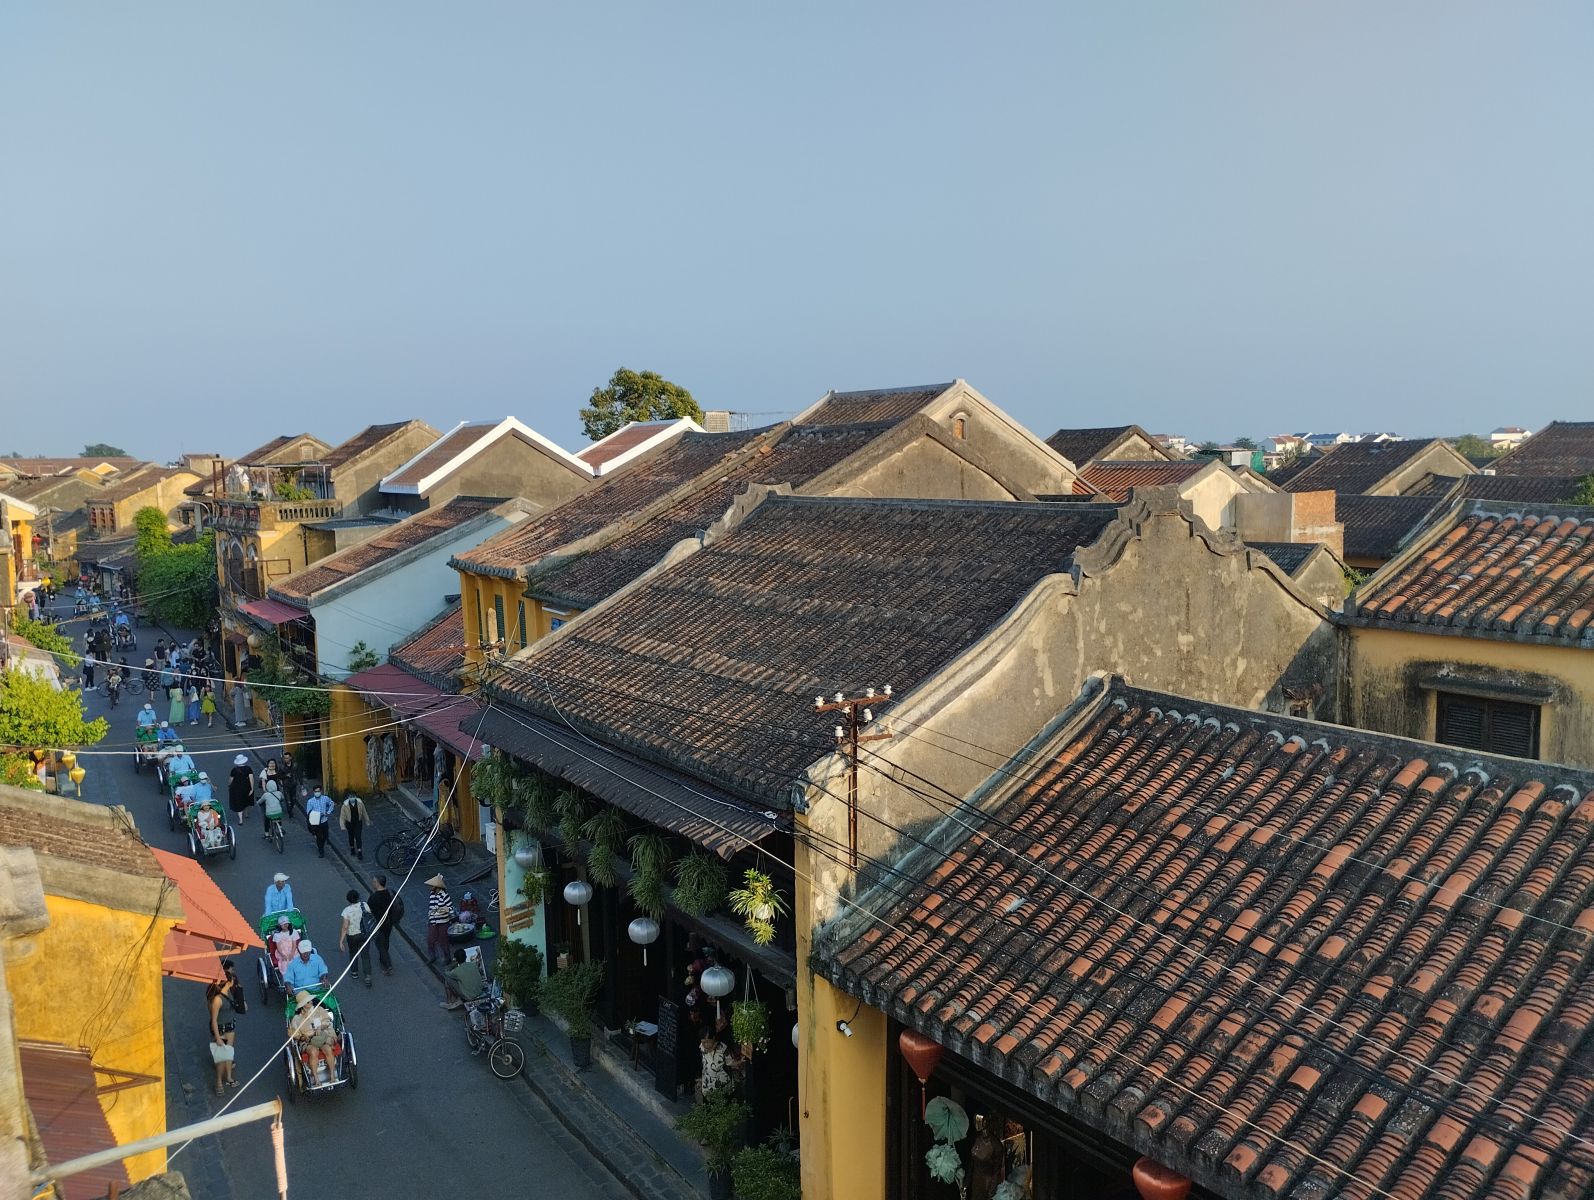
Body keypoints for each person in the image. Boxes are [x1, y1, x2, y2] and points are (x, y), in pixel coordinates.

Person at [289, 991, 336, 1084]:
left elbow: (327, 1021)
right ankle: (316, 1079)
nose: (311, 1002)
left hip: (320, 1037)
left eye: (310, 1000)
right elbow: (294, 1034)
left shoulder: (319, 1010)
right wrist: (303, 1037)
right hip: (307, 1042)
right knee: (314, 1051)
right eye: (307, 1002)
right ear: (302, 1005)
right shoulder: (297, 1019)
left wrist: (321, 1027)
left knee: (328, 1049)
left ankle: (332, 1075)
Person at [207, 974, 239, 1095]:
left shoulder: (228, 994)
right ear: (228, 982)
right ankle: (219, 1081)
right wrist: (217, 1037)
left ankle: (229, 1077)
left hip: (230, 1027)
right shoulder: (218, 999)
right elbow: (214, 1020)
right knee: (221, 1058)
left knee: (229, 1053)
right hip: (221, 1029)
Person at [366, 875, 401, 977]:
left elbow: (368, 911)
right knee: (386, 940)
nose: (372, 883)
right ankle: (383, 960)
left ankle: (388, 965)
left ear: (377, 883)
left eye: (374, 881)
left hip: (378, 924)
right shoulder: (390, 894)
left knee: (380, 945)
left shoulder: (373, 897)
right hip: (389, 922)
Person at [339, 888, 373, 988]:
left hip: (352, 936)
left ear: (348, 900)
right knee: (365, 954)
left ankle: (354, 972)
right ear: (358, 897)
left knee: (353, 953)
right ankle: (367, 976)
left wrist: (341, 941)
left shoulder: (346, 911)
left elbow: (345, 927)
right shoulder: (365, 905)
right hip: (364, 934)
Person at [697, 1027, 741, 1099]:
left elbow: (730, 1062)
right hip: (707, 1085)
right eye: (703, 1042)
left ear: (714, 1038)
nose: (706, 1045)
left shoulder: (722, 1049)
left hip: (723, 1084)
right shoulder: (701, 1048)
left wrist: (738, 1062)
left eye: (708, 1041)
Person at [424, 875, 454, 967]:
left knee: (443, 941)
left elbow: (451, 909)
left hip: (443, 923)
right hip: (433, 921)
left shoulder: (445, 896)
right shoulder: (432, 894)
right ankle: (432, 956)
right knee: (430, 940)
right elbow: (431, 907)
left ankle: (447, 957)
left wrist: (439, 911)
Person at [305, 787, 335, 858]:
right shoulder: (310, 801)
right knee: (319, 837)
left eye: (318, 791)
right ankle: (321, 851)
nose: (317, 792)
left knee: (325, 835)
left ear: (321, 791)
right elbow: (309, 812)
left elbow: (332, 803)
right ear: (313, 792)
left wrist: (328, 812)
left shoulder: (325, 798)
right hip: (316, 822)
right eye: (316, 791)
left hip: (324, 820)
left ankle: (322, 844)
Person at [338, 793, 369, 860]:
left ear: (355, 797)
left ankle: (359, 851)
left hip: (358, 822)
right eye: (350, 797)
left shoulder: (360, 803)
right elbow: (342, 817)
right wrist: (342, 826)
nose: (352, 798)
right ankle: (352, 848)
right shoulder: (344, 806)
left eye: (353, 797)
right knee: (351, 836)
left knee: (358, 837)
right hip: (349, 823)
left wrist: (367, 820)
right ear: (348, 798)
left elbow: (364, 812)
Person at [228, 753, 255, 825]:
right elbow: (251, 779)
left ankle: (240, 820)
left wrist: (229, 785)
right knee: (246, 800)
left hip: (236, 788)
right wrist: (252, 788)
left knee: (239, 802)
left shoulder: (234, 770)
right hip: (247, 787)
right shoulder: (248, 769)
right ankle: (246, 813)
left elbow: (230, 780)